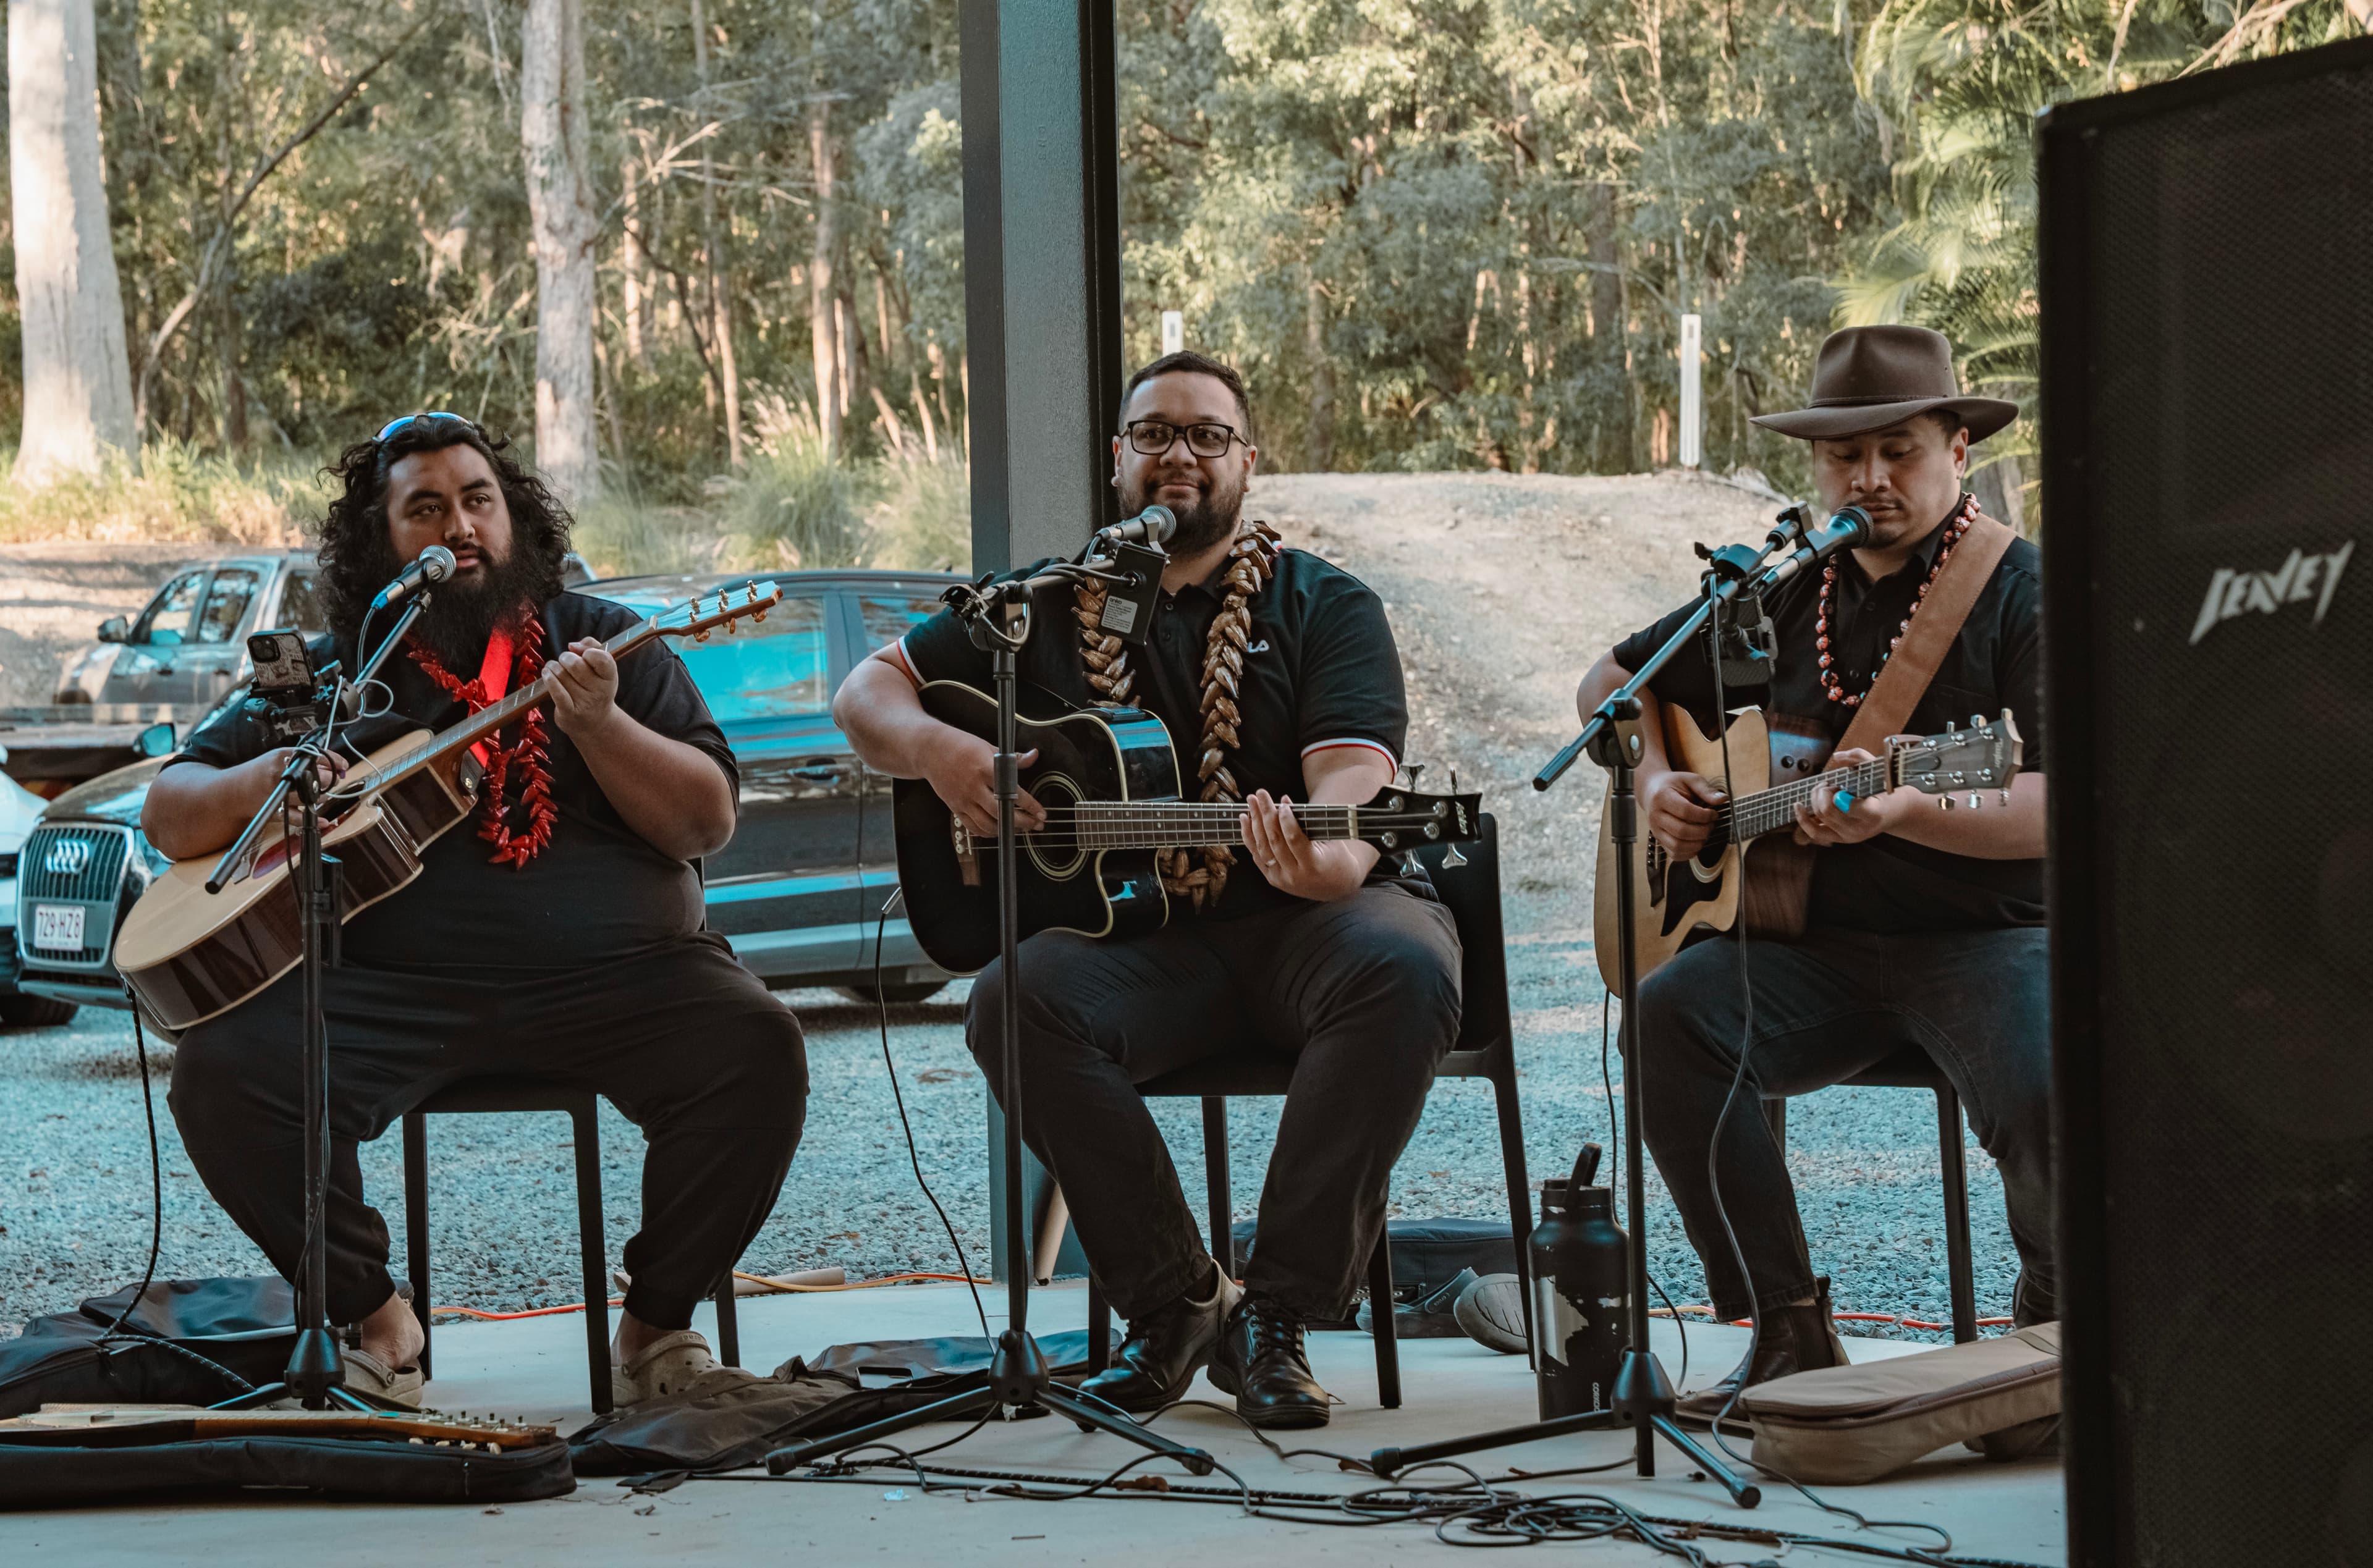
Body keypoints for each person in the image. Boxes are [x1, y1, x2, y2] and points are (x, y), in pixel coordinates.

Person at [835, 352, 1459, 1430]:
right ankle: (1175, 1301)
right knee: (1010, 999)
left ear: (1247, 461)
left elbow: (1353, 778)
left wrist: (1338, 857)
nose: (1179, 452)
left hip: (1306, 923)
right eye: (1154, 431)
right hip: (1145, 946)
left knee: (1404, 962)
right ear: (1117, 456)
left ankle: (1279, 1313)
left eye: (1207, 434)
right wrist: (944, 755)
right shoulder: (1034, 610)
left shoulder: (1325, 602)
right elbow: (865, 688)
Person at [150, 413, 808, 1409]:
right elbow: (170, 806)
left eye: (478, 500)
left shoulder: (608, 642)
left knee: (758, 1046)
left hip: (622, 980)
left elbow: (706, 820)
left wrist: (602, 724)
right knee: (221, 1073)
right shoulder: (340, 672)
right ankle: (376, 1317)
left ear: (514, 520)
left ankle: (658, 1328)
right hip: (387, 991)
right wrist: (271, 780)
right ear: (381, 543)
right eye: (426, 508)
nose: (459, 526)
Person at [1571, 324, 2053, 1412]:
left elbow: (2059, 807)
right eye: (1846, 457)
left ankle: (2056, 1330)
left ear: (1958, 453)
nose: (1870, 479)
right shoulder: (1786, 587)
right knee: (1667, 1022)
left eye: (1899, 451)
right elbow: (1613, 677)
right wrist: (1656, 783)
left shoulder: (2022, 593)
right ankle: (1788, 1325)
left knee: (2050, 1070)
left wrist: (1912, 804)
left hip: (1990, 938)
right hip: (1812, 948)